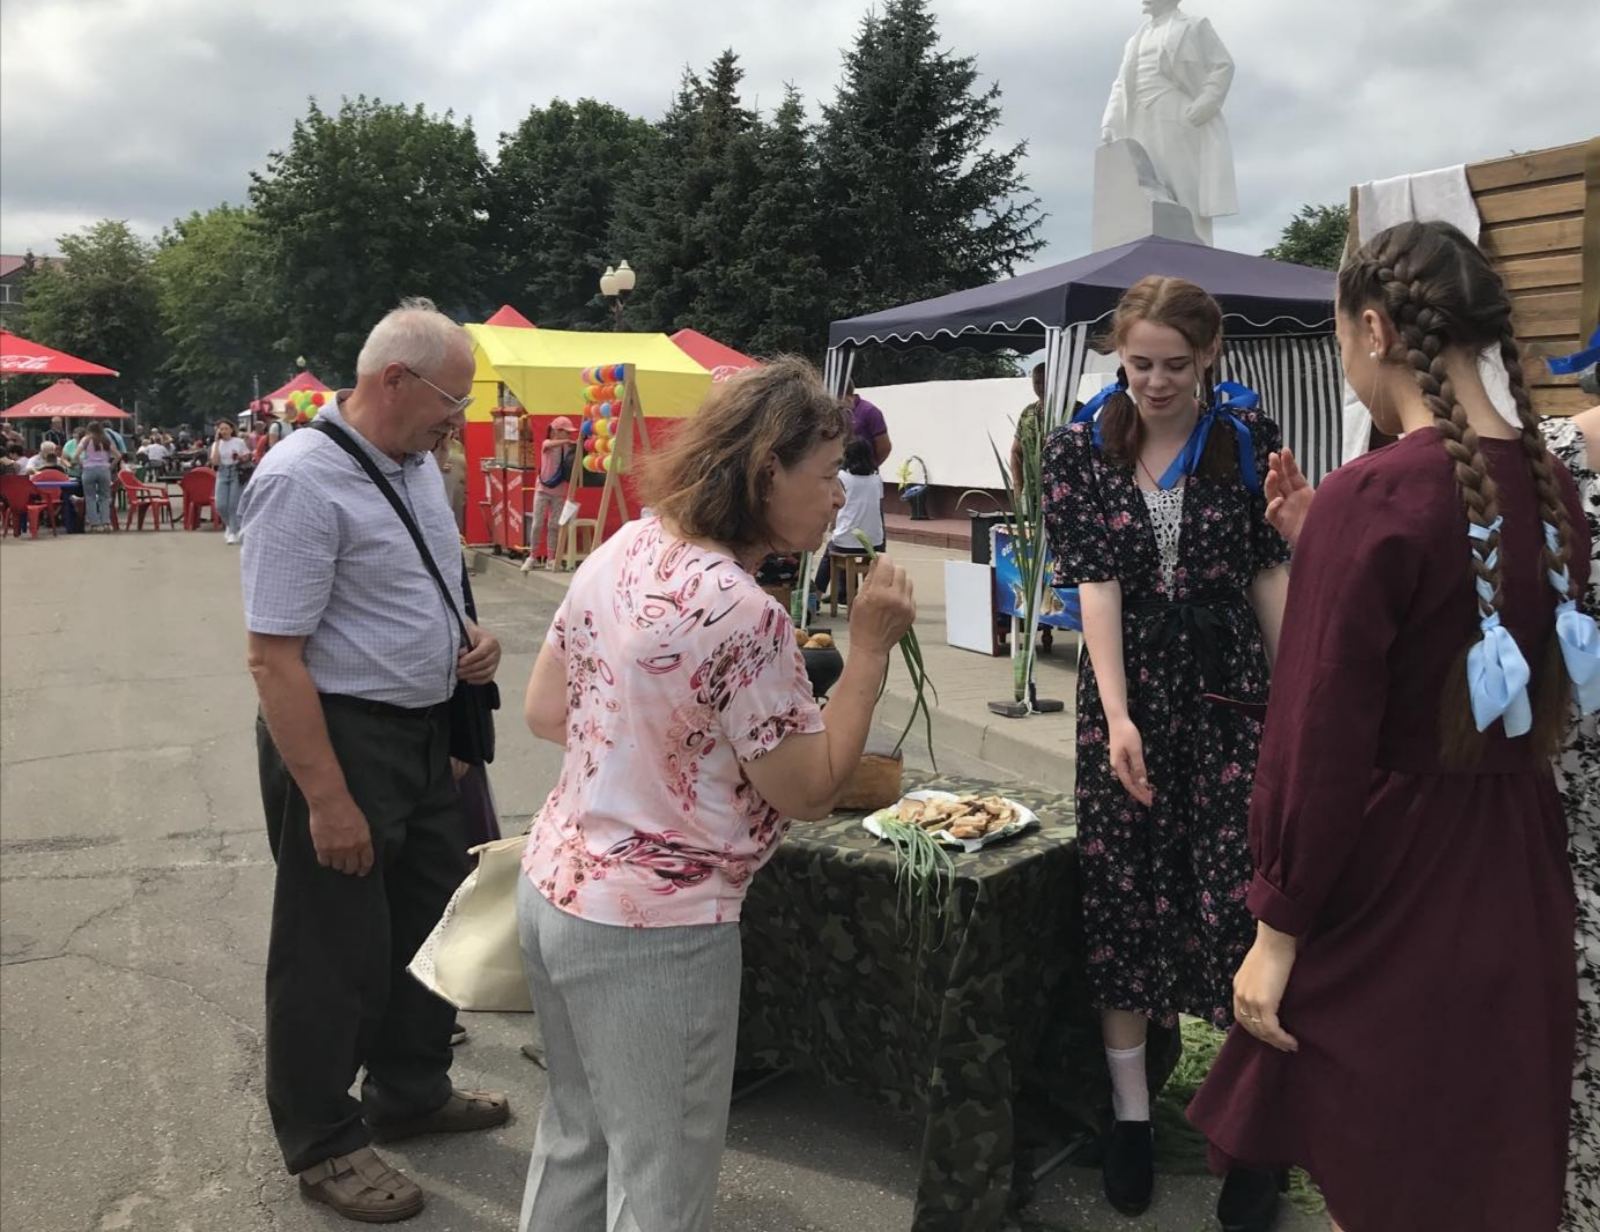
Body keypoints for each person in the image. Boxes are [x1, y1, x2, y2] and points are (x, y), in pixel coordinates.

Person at [1186, 221, 1595, 1232]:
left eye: (1338, 347)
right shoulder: (1552, 489)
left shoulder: (1374, 496)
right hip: (1520, 869)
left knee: (1385, 1172)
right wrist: (1315, 536)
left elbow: (1315, 738)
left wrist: (1275, 927)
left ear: (1372, 328)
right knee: (1477, 1164)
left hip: (1399, 885)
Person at [515, 356, 916, 1232]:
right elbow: (811, 788)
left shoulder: (632, 541)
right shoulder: (742, 611)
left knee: (578, 1138)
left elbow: (549, 710)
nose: (834, 497)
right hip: (654, 930)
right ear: (767, 469)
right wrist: (871, 654)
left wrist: (661, 745)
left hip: (555, 888)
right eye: (823, 476)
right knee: (662, 1182)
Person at [239, 298, 511, 1225]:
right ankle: (322, 1139)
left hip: (426, 734)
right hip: (341, 740)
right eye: (453, 398)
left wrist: (470, 648)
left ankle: (411, 1088)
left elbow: (420, 594)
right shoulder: (300, 481)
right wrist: (328, 800)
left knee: (435, 922)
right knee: (332, 947)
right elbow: (274, 659)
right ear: (394, 380)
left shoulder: (415, 469)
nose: (459, 418)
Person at [1040, 275, 1290, 1226]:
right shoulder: (1079, 449)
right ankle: (1133, 1119)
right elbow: (1095, 586)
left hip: (1232, 694)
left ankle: (1251, 1136)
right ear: (1119, 355)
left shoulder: (1245, 440)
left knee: (1237, 902)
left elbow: (1271, 580)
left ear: (1211, 353)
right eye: (1139, 362)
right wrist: (1118, 715)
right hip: (1129, 692)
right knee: (1126, 896)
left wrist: (1298, 702)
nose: (1154, 381)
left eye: (1175, 365)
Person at [812, 436, 884, 600]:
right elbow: (877, 506)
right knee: (842, 548)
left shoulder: (842, 477)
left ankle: (816, 596)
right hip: (873, 542)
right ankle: (868, 598)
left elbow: (836, 506)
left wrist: (832, 525)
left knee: (828, 555)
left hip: (847, 540)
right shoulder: (876, 478)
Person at [521, 417, 575, 572]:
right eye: (566, 432)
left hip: (559, 491)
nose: (568, 436)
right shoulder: (547, 444)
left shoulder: (567, 449)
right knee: (537, 523)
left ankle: (551, 558)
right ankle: (532, 556)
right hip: (542, 490)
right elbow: (549, 444)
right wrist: (566, 442)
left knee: (554, 525)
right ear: (557, 431)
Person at [210, 418, 249, 543]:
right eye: (221, 429)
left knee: (233, 504)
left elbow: (247, 456)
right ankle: (230, 525)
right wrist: (216, 442)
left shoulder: (238, 441)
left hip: (236, 471)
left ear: (232, 430)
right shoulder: (216, 444)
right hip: (222, 472)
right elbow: (215, 462)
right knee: (220, 505)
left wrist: (241, 457)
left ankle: (233, 532)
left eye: (226, 428)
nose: (224, 431)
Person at [77, 421, 120, 532]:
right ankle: (106, 523)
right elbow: (118, 455)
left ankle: (94, 524)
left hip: (89, 470)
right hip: (104, 469)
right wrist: (110, 466)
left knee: (90, 497)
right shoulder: (106, 440)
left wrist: (82, 463)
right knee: (105, 497)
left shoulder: (86, 440)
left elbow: (76, 455)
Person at [845, 381, 892, 470]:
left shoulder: (870, 412)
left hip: (862, 473)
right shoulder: (834, 412)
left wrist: (869, 468)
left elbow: (885, 447)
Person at [430, 425, 467, 536]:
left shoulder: (458, 445)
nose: (455, 431)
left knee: (458, 512)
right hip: (445, 482)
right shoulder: (435, 447)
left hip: (458, 485)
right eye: (452, 429)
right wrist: (439, 466)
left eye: (455, 429)